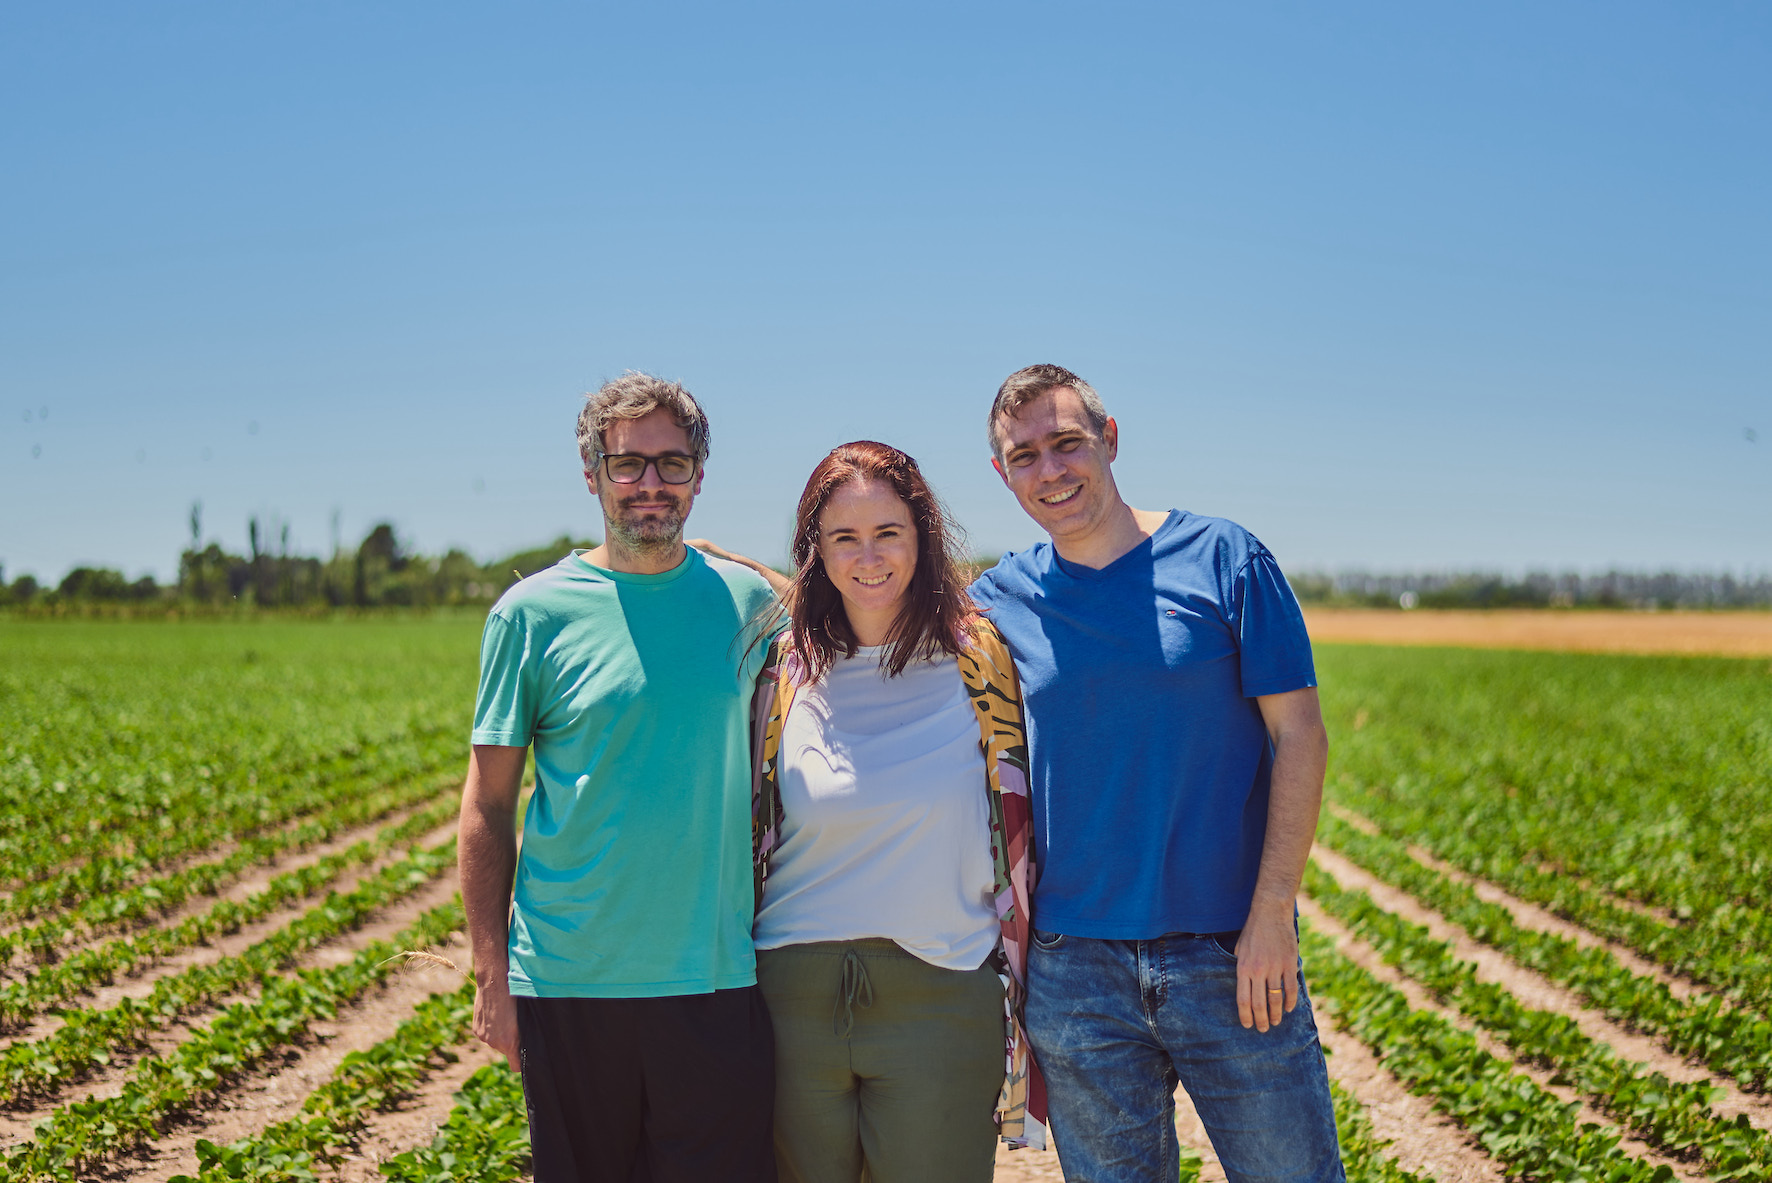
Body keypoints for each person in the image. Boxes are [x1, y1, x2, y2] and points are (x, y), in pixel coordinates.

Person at [968, 364, 1343, 1183]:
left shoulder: (1225, 558)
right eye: (1024, 455)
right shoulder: (1001, 596)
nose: (1050, 469)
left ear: (1108, 438)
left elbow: (1301, 735)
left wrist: (1273, 913)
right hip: (1077, 974)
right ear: (1003, 473)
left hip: (1231, 956)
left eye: (1067, 442)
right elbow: (870, 604)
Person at [458, 372, 780, 1183]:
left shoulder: (749, 604)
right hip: (569, 981)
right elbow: (488, 805)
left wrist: (749, 564)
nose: (649, 484)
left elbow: (867, 603)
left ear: (700, 477)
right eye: (628, 462)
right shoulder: (531, 613)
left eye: (673, 464)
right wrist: (492, 972)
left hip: (715, 975)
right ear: (592, 470)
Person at [700, 440, 1044, 1183]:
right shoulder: (783, 668)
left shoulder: (980, 656)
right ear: (814, 552)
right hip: (790, 995)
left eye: (888, 532)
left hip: (944, 992)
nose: (868, 557)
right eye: (843, 538)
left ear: (923, 535)